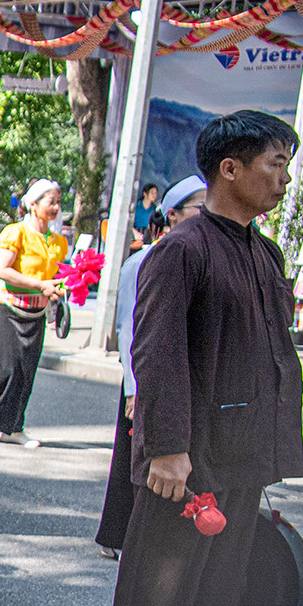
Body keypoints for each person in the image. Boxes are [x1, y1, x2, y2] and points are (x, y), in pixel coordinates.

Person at [103, 112, 303, 606]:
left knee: (220, 578)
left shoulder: (263, 251)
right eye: (274, 165)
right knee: (162, 575)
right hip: (187, 451)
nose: (283, 180)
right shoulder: (181, 251)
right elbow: (155, 353)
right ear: (230, 168)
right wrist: (165, 448)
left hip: (245, 446)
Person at [96, 174, 206, 560]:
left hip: (179, 381)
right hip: (142, 381)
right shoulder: (142, 262)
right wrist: (132, 386)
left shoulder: (199, 258)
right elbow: (130, 329)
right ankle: (119, 535)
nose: (206, 216)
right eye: (199, 209)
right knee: (134, 460)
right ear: (173, 215)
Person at [0, 179, 65, 448]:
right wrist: (39, 285)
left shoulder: (58, 242)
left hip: (37, 313)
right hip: (10, 309)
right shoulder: (15, 233)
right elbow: (2, 271)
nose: (55, 207)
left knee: (26, 373)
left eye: (57, 202)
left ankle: (13, 427)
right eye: (49, 201)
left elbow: (57, 275)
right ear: (32, 205)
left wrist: (61, 288)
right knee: (7, 369)